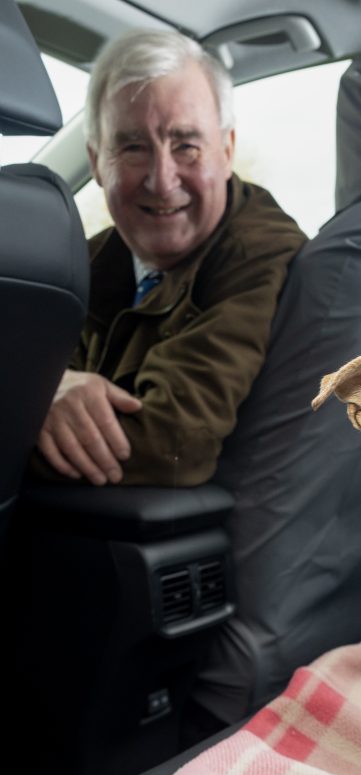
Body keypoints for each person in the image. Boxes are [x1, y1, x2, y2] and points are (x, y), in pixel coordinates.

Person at [31, 28, 306, 487]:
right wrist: (48, 391)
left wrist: (26, 404)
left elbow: (171, 442)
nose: (162, 180)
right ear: (97, 162)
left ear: (227, 150)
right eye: (133, 146)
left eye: (186, 145)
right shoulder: (86, 262)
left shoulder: (258, 255)